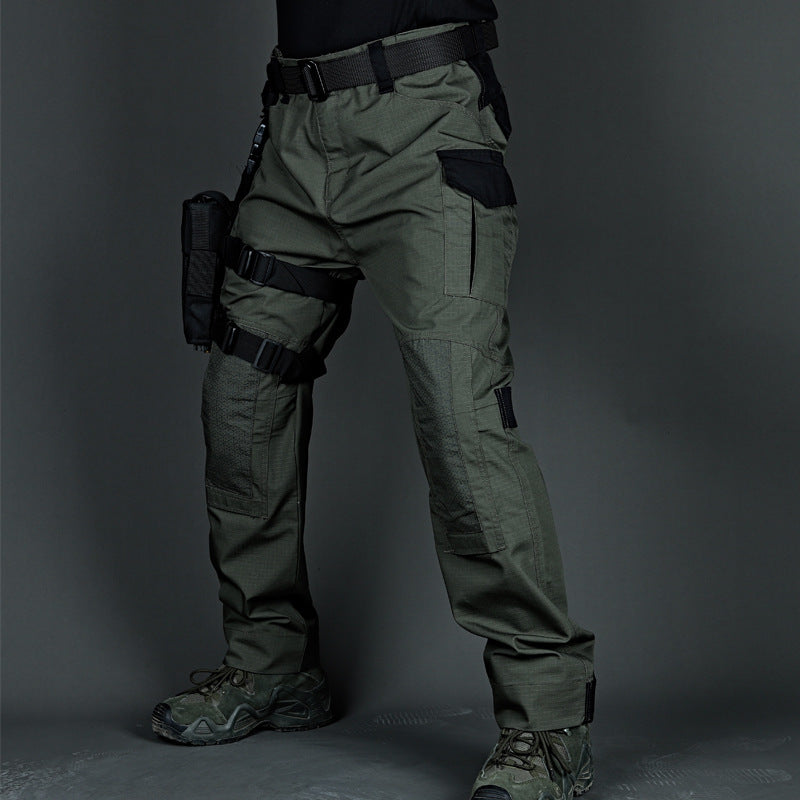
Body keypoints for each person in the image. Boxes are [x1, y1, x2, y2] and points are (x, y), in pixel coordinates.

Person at [154, 3, 597, 798]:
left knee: (461, 418)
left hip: (422, 122)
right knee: (240, 400)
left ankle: (547, 720)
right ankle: (272, 665)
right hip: (295, 129)